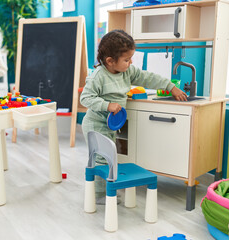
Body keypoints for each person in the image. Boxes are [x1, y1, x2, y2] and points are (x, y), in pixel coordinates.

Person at [80, 29, 187, 204]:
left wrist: (170, 86)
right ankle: (100, 195)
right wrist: (107, 105)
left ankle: (106, 188)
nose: (130, 63)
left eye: (131, 59)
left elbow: (147, 77)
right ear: (110, 61)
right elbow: (85, 98)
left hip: (111, 124)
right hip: (95, 124)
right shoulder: (98, 77)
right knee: (101, 158)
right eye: (126, 60)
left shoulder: (127, 72)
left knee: (110, 156)